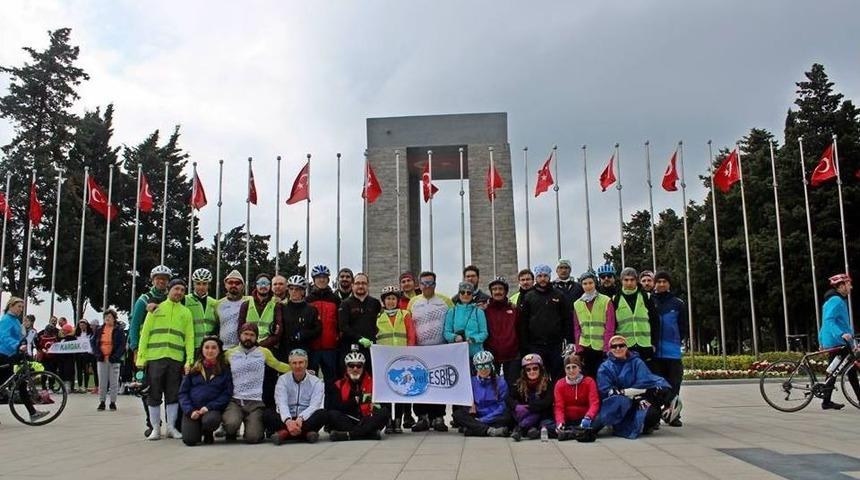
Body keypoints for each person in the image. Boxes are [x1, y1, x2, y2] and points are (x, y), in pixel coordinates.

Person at [136, 278, 196, 440]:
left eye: (182, 290)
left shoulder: (186, 312)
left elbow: (189, 338)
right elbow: (145, 334)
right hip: (155, 358)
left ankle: (171, 428)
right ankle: (156, 428)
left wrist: (188, 360)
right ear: (169, 290)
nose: (179, 292)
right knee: (154, 394)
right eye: (176, 289)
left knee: (173, 394)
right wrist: (141, 358)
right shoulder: (156, 309)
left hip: (176, 359)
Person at [223, 323, 291, 444]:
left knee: (253, 438)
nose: (248, 337)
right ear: (240, 335)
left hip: (255, 402)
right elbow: (216, 365)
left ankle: (252, 425)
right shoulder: (230, 353)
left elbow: (278, 365)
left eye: (252, 335)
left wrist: (298, 369)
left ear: (256, 337)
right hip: (235, 401)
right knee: (231, 425)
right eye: (245, 334)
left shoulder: (263, 352)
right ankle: (232, 429)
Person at [595, 335, 671, 439]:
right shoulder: (605, 367)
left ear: (626, 347)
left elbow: (646, 382)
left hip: (638, 400)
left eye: (621, 345)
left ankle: (647, 425)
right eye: (614, 346)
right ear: (610, 349)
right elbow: (607, 390)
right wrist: (629, 393)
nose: (618, 348)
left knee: (653, 413)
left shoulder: (637, 362)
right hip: (619, 404)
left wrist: (624, 392)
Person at [128, 264, 172, 436]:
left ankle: (171, 423)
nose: (161, 281)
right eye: (158, 278)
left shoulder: (171, 298)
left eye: (164, 279)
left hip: (167, 351)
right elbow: (134, 325)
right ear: (153, 280)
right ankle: (152, 423)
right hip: (146, 352)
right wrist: (135, 349)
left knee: (169, 389)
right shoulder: (144, 299)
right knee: (147, 389)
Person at [407, 271, 453, 432]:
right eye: (424, 283)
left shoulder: (445, 301)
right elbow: (408, 325)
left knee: (438, 382)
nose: (427, 286)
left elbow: (452, 321)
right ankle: (422, 417)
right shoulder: (413, 302)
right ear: (419, 285)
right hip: (419, 350)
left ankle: (438, 417)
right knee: (419, 383)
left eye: (430, 283)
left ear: (435, 284)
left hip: (440, 349)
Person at [518, 264, 571, 379]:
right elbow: (523, 323)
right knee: (539, 376)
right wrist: (525, 344)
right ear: (536, 278)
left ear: (549, 277)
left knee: (557, 375)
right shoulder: (529, 297)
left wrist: (567, 339)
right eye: (540, 276)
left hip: (555, 345)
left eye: (545, 276)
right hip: (535, 345)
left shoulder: (559, 295)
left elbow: (566, 319)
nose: (543, 279)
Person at [375, 286, 416, 433]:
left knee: (400, 390)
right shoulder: (378, 317)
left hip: (401, 359)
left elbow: (411, 335)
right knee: (385, 391)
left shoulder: (404, 314)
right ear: (383, 301)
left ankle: (398, 421)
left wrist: (410, 353)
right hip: (384, 359)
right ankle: (387, 421)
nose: (390, 301)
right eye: (388, 299)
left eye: (393, 298)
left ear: (397, 300)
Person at [178, 336, 233, 446]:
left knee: (210, 421)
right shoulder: (194, 368)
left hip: (211, 410)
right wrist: (190, 410)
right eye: (206, 347)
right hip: (193, 410)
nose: (210, 351)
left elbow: (227, 394)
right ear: (202, 350)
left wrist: (209, 407)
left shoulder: (225, 370)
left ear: (219, 350)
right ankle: (197, 430)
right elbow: (183, 393)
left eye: (214, 348)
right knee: (190, 440)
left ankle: (208, 432)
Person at [649, 271, 687, 426]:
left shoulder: (678, 303)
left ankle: (673, 415)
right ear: (654, 284)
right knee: (657, 385)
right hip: (655, 352)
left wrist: (678, 341)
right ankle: (656, 416)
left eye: (665, 281)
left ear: (669, 284)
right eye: (659, 281)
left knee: (674, 384)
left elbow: (683, 326)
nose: (661, 284)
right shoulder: (650, 301)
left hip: (673, 352)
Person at [0, 297, 48, 421]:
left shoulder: (15, 321)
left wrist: (25, 343)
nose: (21, 309)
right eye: (19, 306)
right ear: (11, 306)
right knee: (5, 384)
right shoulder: (6, 320)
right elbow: (4, 337)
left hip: (13, 355)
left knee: (21, 383)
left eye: (22, 307)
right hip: (3, 355)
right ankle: (32, 412)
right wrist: (18, 345)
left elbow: (20, 337)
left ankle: (32, 413)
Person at [326, 349, 389, 441]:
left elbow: (381, 404)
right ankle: (368, 434)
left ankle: (349, 435)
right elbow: (336, 406)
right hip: (348, 419)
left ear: (363, 367)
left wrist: (374, 406)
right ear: (346, 367)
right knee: (331, 414)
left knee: (384, 412)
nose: (355, 369)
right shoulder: (339, 384)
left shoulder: (373, 383)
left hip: (367, 419)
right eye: (351, 366)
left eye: (359, 366)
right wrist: (355, 401)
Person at [818, 273, 858, 410]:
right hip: (837, 340)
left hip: (835, 340)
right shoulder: (836, 300)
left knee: (835, 371)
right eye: (849, 284)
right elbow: (829, 320)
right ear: (841, 286)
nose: (851, 287)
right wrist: (842, 334)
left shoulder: (834, 300)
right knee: (851, 370)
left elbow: (826, 322)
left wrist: (821, 339)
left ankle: (826, 401)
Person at [273, 348, 327, 444]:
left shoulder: (316, 382)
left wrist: (301, 418)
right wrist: (288, 421)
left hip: (305, 419)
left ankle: (285, 433)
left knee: (323, 413)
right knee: (267, 414)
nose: (298, 366)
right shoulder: (282, 380)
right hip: (287, 418)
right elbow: (282, 403)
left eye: (301, 363)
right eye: (294, 363)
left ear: (306, 364)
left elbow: (314, 405)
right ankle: (306, 434)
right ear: (290, 364)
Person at [451, 351, 510, 437]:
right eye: (479, 366)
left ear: (491, 365)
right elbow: (463, 400)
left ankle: (474, 428)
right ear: (476, 367)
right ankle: (489, 431)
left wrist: (483, 420)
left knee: (508, 416)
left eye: (486, 365)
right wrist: (469, 405)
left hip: (493, 415)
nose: (483, 369)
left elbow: (502, 406)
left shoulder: (501, 382)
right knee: (457, 414)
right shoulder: (471, 381)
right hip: (476, 414)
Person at [572, 270, 616, 379]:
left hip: (601, 347)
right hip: (586, 347)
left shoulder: (606, 300)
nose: (588, 286)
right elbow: (577, 328)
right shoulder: (577, 304)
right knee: (588, 378)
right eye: (585, 283)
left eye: (590, 283)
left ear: (595, 283)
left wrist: (607, 347)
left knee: (603, 376)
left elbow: (610, 326)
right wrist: (578, 348)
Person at [612, 267, 658, 362]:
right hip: (625, 346)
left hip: (645, 345)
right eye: (626, 280)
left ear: (637, 280)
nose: (629, 283)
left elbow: (655, 322)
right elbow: (613, 325)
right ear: (621, 281)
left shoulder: (646, 297)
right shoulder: (615, 299)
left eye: (632, 280)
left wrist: (654, 343)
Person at [337, 272, 381, 372]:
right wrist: (359, 339)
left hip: (370, 348)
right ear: (352, 285)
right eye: (357, 283)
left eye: (364, 283)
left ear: (368, 285)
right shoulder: (345, 304)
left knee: (370, 377)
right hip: (350, 348)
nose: (361, 286)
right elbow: (343, 326)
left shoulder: (375, 303)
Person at [307, 265, 341, 389]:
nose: (321, 280)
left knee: (331, 382)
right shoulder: (308, 299)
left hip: (330, 347)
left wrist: (337, 337)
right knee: (311, 382)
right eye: (318, 277)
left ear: (328, 280)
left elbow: (340, 322)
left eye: (324, 277)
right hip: (313, 348)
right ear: (314, 280)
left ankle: (331, 407)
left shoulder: (335, 300)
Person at [507, 353, 554, 441]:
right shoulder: (520, 384)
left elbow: (547, 402)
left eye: (535, 368)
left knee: (543, 421)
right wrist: (516, 406)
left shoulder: (548, 384)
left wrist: (529, 407)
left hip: (542, 415)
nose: (532, 372)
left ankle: (521, 429)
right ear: (524, 372)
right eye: (528, 369)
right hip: (524, 416)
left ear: (540, 369)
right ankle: (530, 430)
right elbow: (508, 398)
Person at [484, 276, 520, 388]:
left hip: (512, 355)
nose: (497, 292)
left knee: (512, 387)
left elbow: (520, 329)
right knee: (493, 387)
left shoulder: (514, 310)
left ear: (505, 291)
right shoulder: (485, 310)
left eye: (500, 289)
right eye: (494, 289)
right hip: (492, 355)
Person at [553, 354, 600, 442]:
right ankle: (578, 432)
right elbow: (559, 407)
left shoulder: (589, 381)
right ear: (565, 370)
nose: (571, 370)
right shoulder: (560, 384)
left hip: (586, 419)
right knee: (549, 424)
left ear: (579, 368)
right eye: (568, 368)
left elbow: (594, 403)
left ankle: (571, 433)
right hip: (568, 420)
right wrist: (560, 422)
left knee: (601, 418)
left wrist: (588, 417)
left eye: (574, 367)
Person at [90, 309, 127, 411]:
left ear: (114, 319)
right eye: (106, 317)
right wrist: (98, 354)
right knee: (102, 382)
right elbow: (93, 343)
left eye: (109, 317)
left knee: (114, 382)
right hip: (102, 359)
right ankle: (102, 402)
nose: (107, 318)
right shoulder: (99, 330)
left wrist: (115, 356)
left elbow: (122, 346)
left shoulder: (119, 331)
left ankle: (112, 402)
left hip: (113, 360)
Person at [238, 273, 282, 351]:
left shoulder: (276, 305)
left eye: (266, 283)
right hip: (248, 347)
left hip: (269, 349)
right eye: (260, 283)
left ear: (270, 286)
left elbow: (278, 333)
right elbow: (239, 329)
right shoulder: (246, 304)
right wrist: (251, 344)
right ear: (256, 285)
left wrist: (260, 345)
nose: (263, 286)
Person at [445, 282, 489, 359]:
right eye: (462, 292)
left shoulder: (479, 312)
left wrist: (474, 339)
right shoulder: (452, 311)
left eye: (469, 293)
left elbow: (484, 333)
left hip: (476, 355)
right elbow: (446, 332)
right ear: (459, 294)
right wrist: (455, 337)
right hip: (457, 354)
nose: (465, 295)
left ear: (472, 295)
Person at [186, 268, 219, 349]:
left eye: (204, 284)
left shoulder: (214, 303)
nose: (201, 287)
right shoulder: (185, 300)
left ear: (208, 285)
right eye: (198, 283)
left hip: (208, 347)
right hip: (191, 346)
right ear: (193, 284)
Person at [216, 270, 248, 350]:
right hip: (223, 349)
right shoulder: (218, 304)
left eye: (237, 283)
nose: (233, 285)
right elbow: (217, 325)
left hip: (242, 349)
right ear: (225, 285)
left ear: (243, 286)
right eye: (230, 282)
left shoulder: (249, 301)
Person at [74, 319, 96, 393]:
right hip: (78, 354)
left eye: (83, 325)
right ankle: (80, 386)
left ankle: (86, 386)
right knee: (79, 370)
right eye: (80, 325)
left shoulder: (90, 334)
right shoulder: (77, 334)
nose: (82, 326)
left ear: (86, 325)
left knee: (86, 371)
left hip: (87, 354)